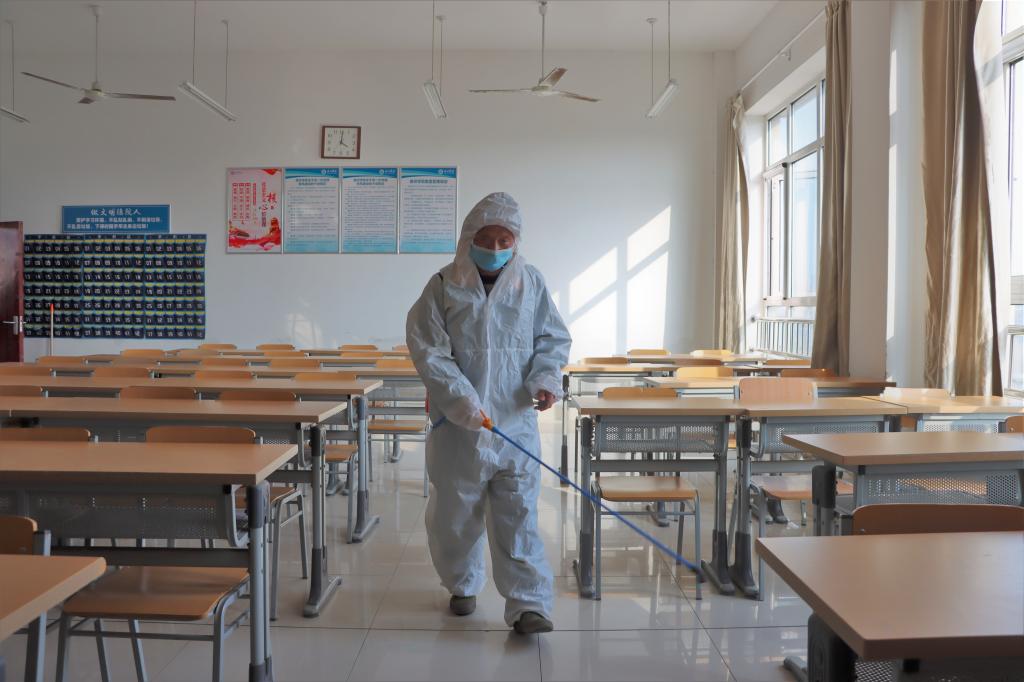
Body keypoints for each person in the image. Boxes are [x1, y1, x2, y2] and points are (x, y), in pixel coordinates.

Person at [406, 192, 571, 635]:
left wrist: (545, 379)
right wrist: (461, 399)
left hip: (514, 422)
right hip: (458, 426)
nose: (495, 248)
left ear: (516, 241)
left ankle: (528, 604)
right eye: (486, 239)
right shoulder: (443, 285)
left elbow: (552, 339)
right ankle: (462, 582)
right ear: (468, 238)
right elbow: (429, 350)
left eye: (504, 240)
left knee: (519, 514)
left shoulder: (530, 282)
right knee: (456, 515)